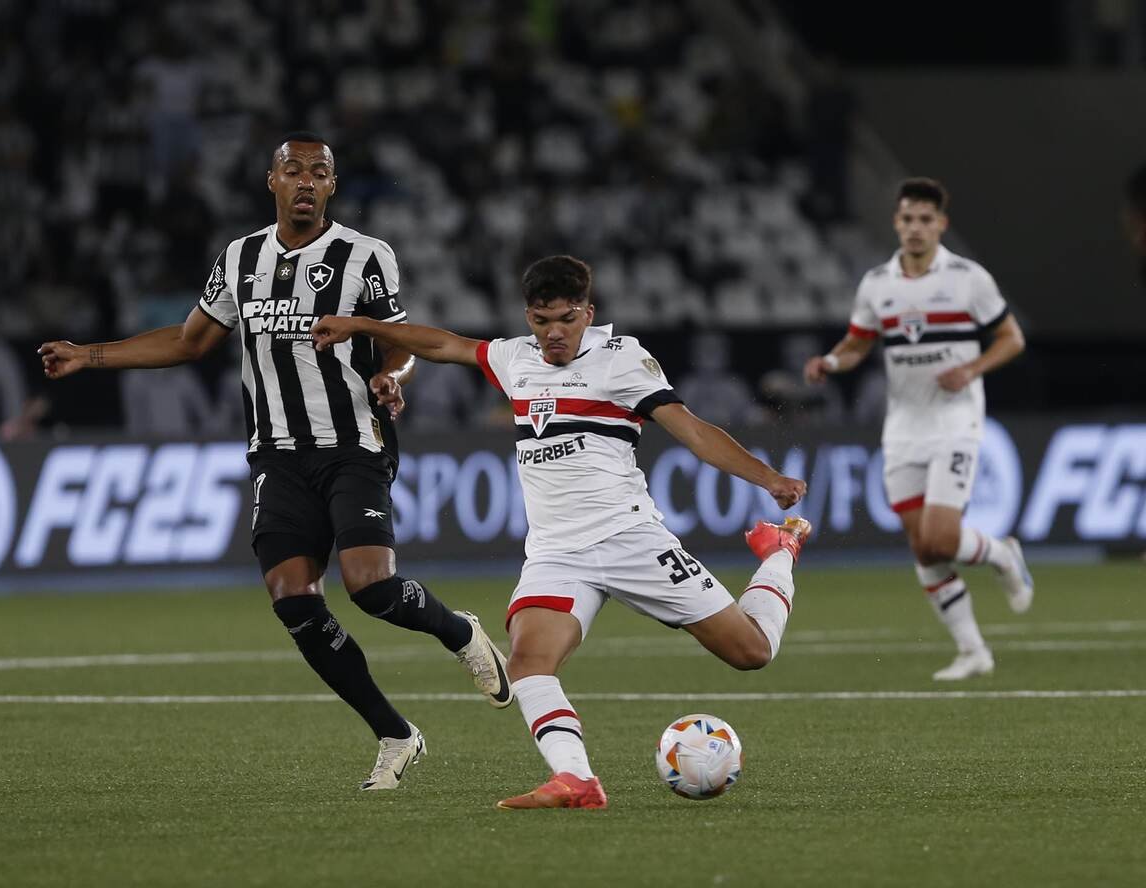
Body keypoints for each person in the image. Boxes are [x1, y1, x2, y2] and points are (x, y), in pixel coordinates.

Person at [37, 132, 512, 791]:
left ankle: (460, 631)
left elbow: (398, 341)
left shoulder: (364, 257)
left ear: (333, 187)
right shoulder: (239, 259)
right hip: (276, 457)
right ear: (273, 182)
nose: (308, 182)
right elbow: (187, 340)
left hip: (353, 445)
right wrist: (89, 356)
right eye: (295, 171)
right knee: (294, 600)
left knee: (371, 586)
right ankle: (395, 734)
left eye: (320, 172)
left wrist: (393, 376)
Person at [311, 254, 810, 810]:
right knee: (527, 663)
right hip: (556, 552)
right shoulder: (514, 358)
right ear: (528, 318)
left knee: (752, 651)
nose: (554, 334)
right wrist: (361, 326)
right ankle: (577, 781)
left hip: (630, 538)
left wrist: (768, 478)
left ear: (588, 313)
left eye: (567, 320)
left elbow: (691, 431)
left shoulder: (623, 360)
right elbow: (442, 344)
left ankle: (780, 550)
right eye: (542, 321)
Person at [803, 177, 1032, 681]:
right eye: (907, 218)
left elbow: (1011, 338)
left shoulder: (969, 278)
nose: (915, 228)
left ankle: (1002, 554)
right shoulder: (878, 284)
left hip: (956, 422)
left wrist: (971, 370)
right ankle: (974, 651)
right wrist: (831, 363)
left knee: (942, 537)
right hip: (903, 429)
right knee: (924, 549)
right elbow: (858, 343)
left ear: (941, 225)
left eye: (925, 219)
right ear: (896, 223)